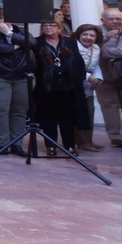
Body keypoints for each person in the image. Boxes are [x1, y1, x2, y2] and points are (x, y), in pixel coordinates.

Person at [0, 12, 34, 155]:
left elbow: (32, 43)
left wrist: (10, 35)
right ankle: (1, 144)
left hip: (21, 75)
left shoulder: (20, 31)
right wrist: (16, 46)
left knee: (19, 111)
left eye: (5, 18)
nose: (2, 22)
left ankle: (16, 144)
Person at [32, 20, 85, 157]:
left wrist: (80, 77)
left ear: (59, 28)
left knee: (67, 118)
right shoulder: (37, 43)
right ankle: (50, 145)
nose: (48, 28)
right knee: (48, 118)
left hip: (67, 86)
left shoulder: (70, 42)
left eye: (52, 25)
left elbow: (78, 61)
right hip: (46, 87)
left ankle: (70, 145)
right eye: (45, 25)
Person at [99, 8, 122, 148]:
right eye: (111, 18)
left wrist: (102, 50)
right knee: (109, 106)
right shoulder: (96, 32)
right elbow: (90, 48)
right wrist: (105, 39)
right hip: (104, 74)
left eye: (118, 18)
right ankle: (115, 136)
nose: (115, 21)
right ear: (103, 20)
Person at [72, 24, 104, 152]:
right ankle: (81, 142)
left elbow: (96, 66)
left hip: (88, 87)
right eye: (85, 34)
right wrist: (88, 76)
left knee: (90, 112)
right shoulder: (72, 47)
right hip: (74, 85)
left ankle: (89, 140)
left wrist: (98, 78)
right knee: (78, 114)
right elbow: (72, 66)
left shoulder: (96, 48)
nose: (88, 37)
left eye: (92, 35)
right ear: (79, 35)